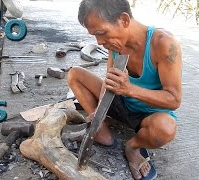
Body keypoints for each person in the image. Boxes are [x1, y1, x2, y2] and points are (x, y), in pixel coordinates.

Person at [68, 0, 182, 179]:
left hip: (148, 114)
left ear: (124, 20)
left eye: (101, 33)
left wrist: (130, 89)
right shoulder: (115, 44)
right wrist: (99, 113)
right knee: (75, 74)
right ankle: (102, 131)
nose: (99, 42)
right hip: (119, 101)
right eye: (95, 36)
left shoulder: (164, 44)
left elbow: (174, 100)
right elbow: (110, 82)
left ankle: (133, 146)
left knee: (165, 129)